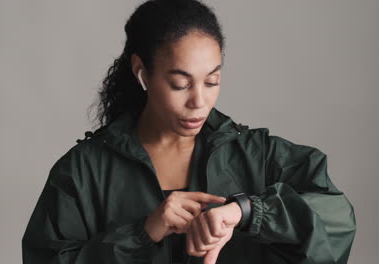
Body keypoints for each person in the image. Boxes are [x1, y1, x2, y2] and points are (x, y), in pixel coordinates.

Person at [21, 0, 357, 263]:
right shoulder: (83, 173)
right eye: (180, 84)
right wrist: (143, 233)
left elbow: (335, 219)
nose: (199, 101)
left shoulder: (259, 156)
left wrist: (247, 211)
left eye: (212, 81)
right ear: (142, 73)